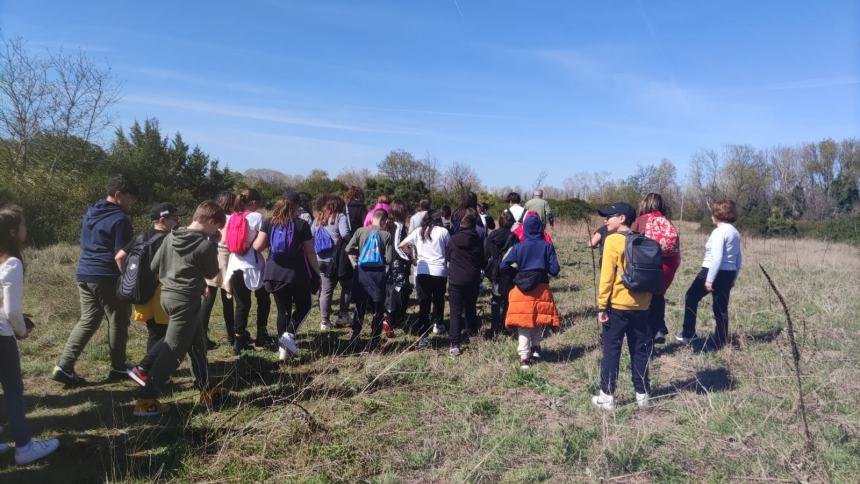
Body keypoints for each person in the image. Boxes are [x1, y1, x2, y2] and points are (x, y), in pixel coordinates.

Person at [132, 201, 226, 417]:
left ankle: (206, 390)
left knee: (197, 344)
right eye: (217, 227)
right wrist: (214, 245)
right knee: (172, 351)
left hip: (166, 296)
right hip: (186, 301)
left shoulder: (171, 236)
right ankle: (146, 400)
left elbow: (155, 266)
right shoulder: (204, 245)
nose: (217, 231)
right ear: (210, 221)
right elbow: (212, 273)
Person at [53, 174, 138, 386]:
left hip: (84, 273)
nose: (132, 202)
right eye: (131, 198)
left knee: (89, 319)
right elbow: (122, 255)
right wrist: (130, 280)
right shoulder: (121, 219)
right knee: (118, 318)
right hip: (106, 275)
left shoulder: (91, 211)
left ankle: (64, 366)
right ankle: (118, 367)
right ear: (118, 195)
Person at [0, 205, 61, 464]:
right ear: (14, 232)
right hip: (2, 336)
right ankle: (25, 447)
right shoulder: (12, 263)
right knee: (13, 389)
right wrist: (21, 330)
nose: (27, 229)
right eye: (24, 225)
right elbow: (12, 311)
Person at [591, 202, 653, 410]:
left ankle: (607, 397)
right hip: (643, 307)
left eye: (610, 216)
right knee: (640, 350)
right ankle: (642, 396)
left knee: (612, 350)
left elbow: (606, 277)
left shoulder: (613, 241)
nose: (605, 220)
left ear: (622, 218)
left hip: (617, 306)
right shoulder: (644, 240)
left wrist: (601, 306)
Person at [115, 203, 181, 364]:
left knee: (154, 332)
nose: (178, 221)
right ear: (163, 220)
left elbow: (119, 257)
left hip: (142, 293)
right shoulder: (168, 239)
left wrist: (127, 277)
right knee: (165, 334)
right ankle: (148, 369)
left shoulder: (140, 237)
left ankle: (150, 368)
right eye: (174, 218)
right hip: (159, 294)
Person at [677, 199, 741, 348]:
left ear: (717, 214)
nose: (711, 215)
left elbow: (717, 257)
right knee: (721, 307)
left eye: (713, 212)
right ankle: (721, 340)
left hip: (712, 271)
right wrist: (734, 277)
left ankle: (688, 333)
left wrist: (709, 279)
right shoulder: (735, 232)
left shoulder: (719, 231)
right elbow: (738, 259)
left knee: (691, 296)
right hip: (728, 273)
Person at [262, 196, 320, 361]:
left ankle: (283, 352)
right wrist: (317, 272)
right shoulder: (301, 225)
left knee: (282, 310)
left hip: (273, 273)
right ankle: (289, 335)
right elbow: (310, 252)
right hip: (296, 274)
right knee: (305, 304)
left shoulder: (268, 222)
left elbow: (258, 246)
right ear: (296, 207)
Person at [500, 214, 560, 369]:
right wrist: (542, 267)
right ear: (541, 228)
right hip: (541, 288)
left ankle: (524, 357)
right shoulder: (547, 246)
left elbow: (503, 265)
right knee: (538, 319)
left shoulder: (518, 246)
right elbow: (555, 270)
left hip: (521, 289)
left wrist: (517, 270)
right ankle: (536, 347)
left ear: (524, 229)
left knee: (523, 324)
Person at [225, 188, 272, 354]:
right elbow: (261, 244)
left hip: (234, 265)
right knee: (263, 299)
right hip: (253, 265)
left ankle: (238, 341)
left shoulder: (231, 218)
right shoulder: (257, 217)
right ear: (252, 203)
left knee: (242, 304)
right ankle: (261, 335)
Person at [630, 193, 681, 344]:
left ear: (645, 204)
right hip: (667, 267)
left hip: (647, 267)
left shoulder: (640, 221)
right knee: (658, 295)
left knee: (645, 303)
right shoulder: (667, 222)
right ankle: (659, 327)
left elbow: (629, 244)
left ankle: (648, 341)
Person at [400, 210, 450, 346]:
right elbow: (449, 248)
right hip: (439, 270)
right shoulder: (443, 231)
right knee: (439, 300)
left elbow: (402, 245)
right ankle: (438, 324)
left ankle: (423, 336)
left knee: (424, 303)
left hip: (422, 270)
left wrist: (412, 258)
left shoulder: (418, 231)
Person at [346, 209, 394, 344]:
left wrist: (357, 260)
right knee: (378, 307)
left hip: (361, 273)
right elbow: (389, 259)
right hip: (377, 274)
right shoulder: (386, 235)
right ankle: (375, 337)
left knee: (360, 305)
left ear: (372, 218)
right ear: (384, 221)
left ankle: (355, 334)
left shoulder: (360, 231)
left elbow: (348, 249)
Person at [445, 209, 484, 356]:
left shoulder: (453, 240)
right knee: (470, 307)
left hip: (455, 279)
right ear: (474, 226)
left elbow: (448, 256)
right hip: (472, 279)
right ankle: (472, 333)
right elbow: (482, 260)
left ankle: (455, 343)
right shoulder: (478, 241)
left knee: (455, 312)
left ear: (461, 225)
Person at [199, 192, 236, 348]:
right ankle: (231, 335)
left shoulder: (211, 218)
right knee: (227, 298)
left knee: (208, 298)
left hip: (211, 255)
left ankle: (202, 336)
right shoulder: (231, 219)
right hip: (226, 257)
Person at [312, 195, 351, 332]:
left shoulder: (318, 218)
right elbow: (345, 234)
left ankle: (324, 321)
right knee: (347, 286)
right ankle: (343, 315)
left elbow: (310, 236)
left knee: (325, 291)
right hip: (337, 260)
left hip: (320, 260)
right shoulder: (340, 217)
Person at [484, 211, 518, 336]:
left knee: (495, 299)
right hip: (508, 272)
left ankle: (494, 327)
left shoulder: (492, 236)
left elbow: (485, 253)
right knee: (507, 300)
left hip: (494, 272)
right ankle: (506, 326)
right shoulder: (513, 237)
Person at [383, 200, 413, 338]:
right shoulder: (399, 226)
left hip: (388, 264)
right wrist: (409, 259)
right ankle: (391, 318)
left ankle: (390, 318)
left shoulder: (388, 224)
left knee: (391, 291)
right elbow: (398, 245)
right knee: (401, 290)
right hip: (398, 265)